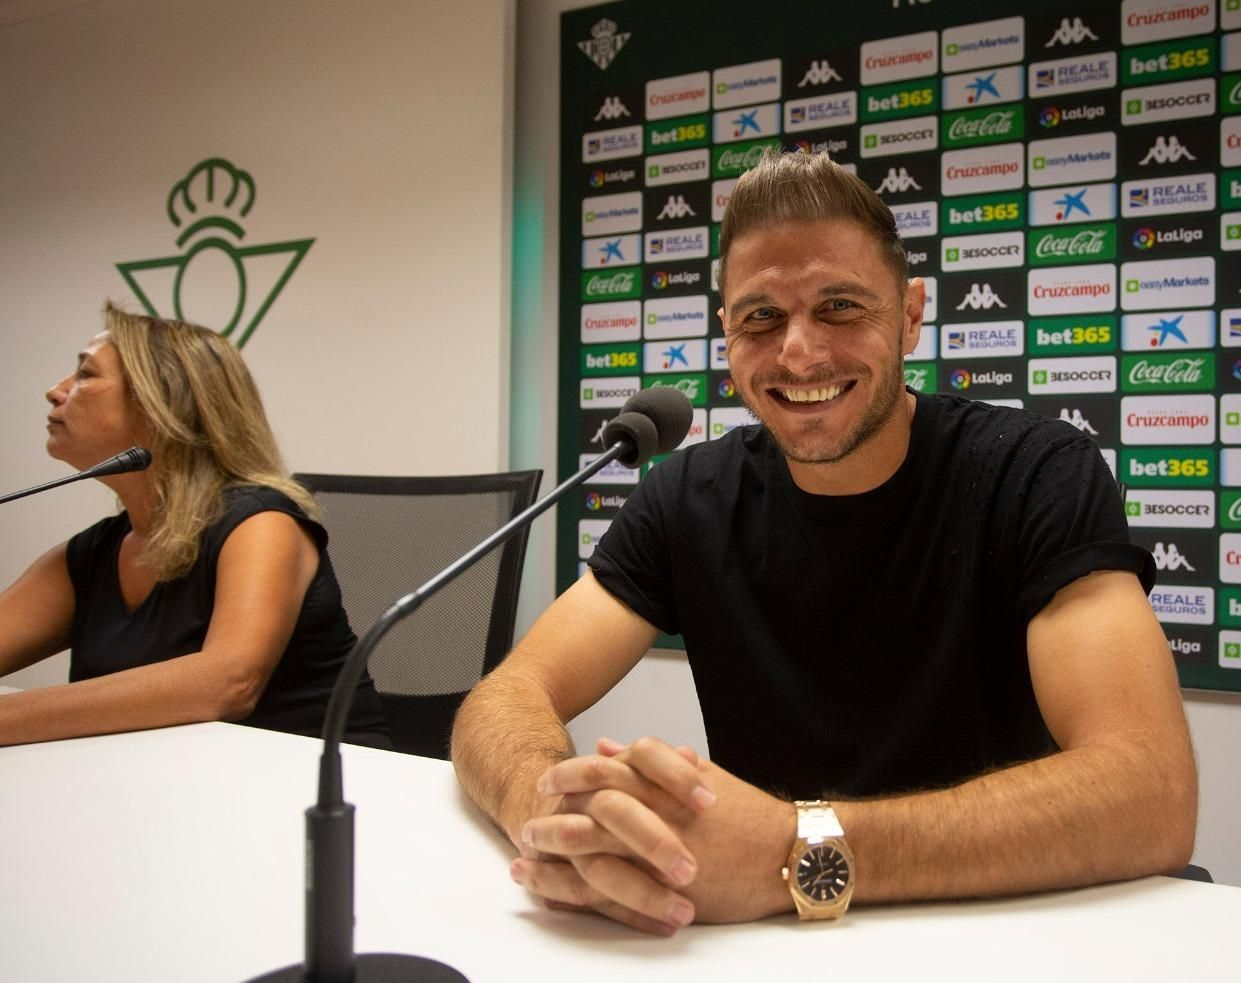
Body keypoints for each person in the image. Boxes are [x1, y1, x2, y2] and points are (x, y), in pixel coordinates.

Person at [453, 150, 1196, 935]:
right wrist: (556, 816)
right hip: (762, 947)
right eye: (761, 317)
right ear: (727, 334)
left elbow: (1150, 792)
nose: (799, 352)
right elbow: (506, 695)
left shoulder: (1035, 472)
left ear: (910, 314)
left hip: (999, 931)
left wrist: (795, 849)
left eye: (840, 306)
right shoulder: (685, 498)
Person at [0, 303, 386, 747]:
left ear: (158, 404)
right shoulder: (93, 554)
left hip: (310, 792)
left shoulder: (262, 521)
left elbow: (226, 684)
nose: (55, 391)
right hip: (163, 784)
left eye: (85, 375)